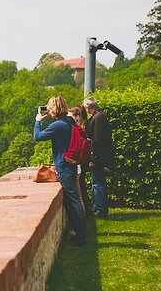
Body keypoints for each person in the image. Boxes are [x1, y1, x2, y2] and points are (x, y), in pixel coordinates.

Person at [34, 96, 86, 247]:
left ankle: (81, 238)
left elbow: (37, 137)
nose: (48, 110)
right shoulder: (69, 121)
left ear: (53, 108)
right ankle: (79, 234)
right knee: (72, 201)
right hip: (70, 164)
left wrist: (38, 121)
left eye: (49, 107)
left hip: (64, 166)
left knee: (73, 202)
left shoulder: (58, 125)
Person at [84, 96, 114, 218]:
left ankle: (100, 209)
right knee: (98, 182)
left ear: (89, 107)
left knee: (97, 183)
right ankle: (99, 208)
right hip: (102, 156)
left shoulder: (97, 118)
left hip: (99, 157)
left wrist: (93, 159)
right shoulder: (101, 116)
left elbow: (96, 141)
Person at [68, 105, 93, 215]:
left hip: (79, 158)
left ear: (76, 116)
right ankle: (87, 207)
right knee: (82, 184)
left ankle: (85, 209)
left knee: (80, 185)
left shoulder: (79, 128)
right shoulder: (86, 126)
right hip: (84, 158)